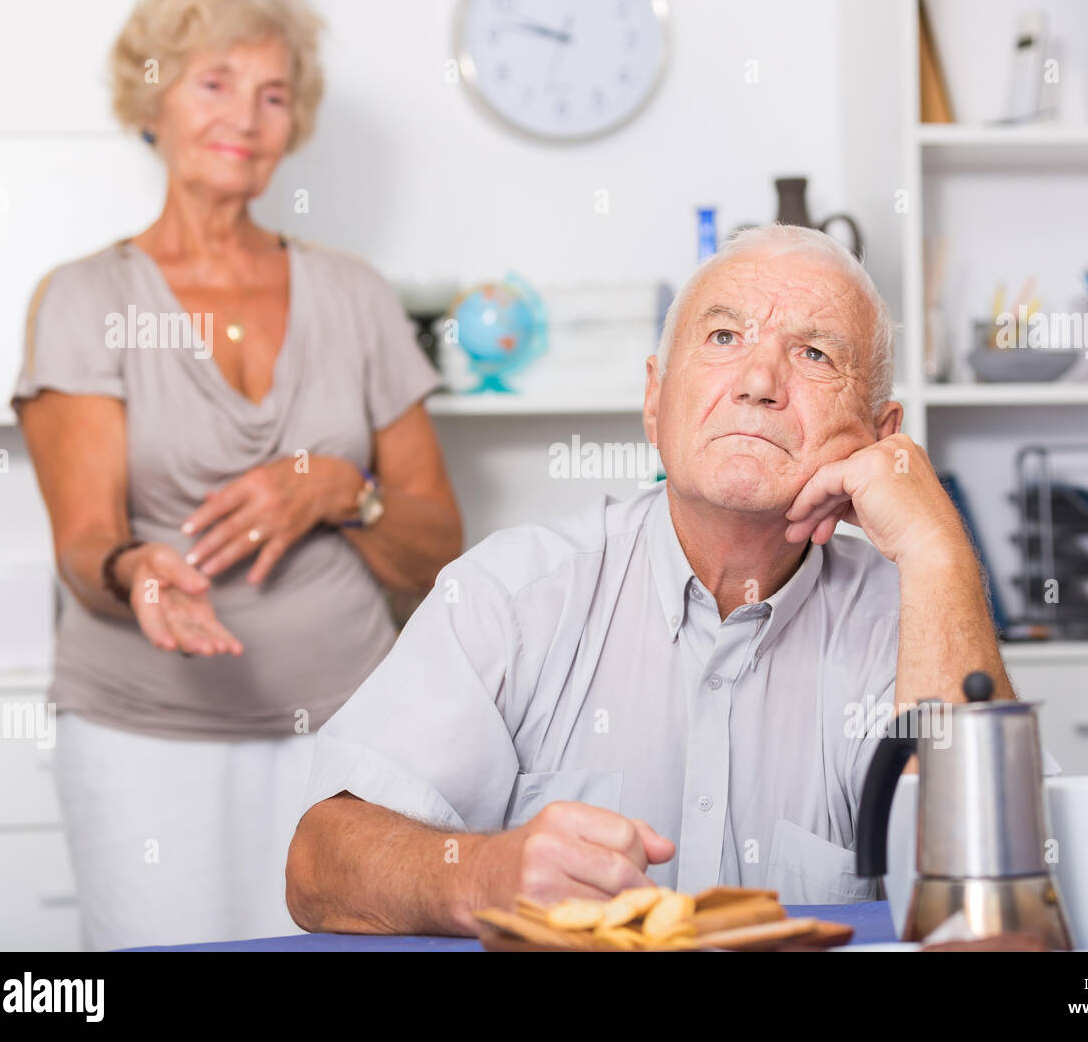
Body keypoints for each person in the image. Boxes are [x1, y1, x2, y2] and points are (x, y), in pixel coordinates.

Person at [285, 223, 1028, 937]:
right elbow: (319, 865)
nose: (760, 380)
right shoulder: (510, 596)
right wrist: (481, 874)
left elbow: (992, 909)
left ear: (880, 434)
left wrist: (940, 553)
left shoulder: (917, 617)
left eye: (813, 352)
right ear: (654, 398)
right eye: (724, 337)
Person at [12, 0, 460, 950]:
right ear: (153, 98)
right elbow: (85, 544)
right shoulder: (86, 298)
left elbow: (436, 548)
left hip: (347, 735)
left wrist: (347, 493)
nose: (247, 119)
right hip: (145, 743)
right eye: (215, 83)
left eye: (271, 94)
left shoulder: (354, 295)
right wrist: (137, 572)